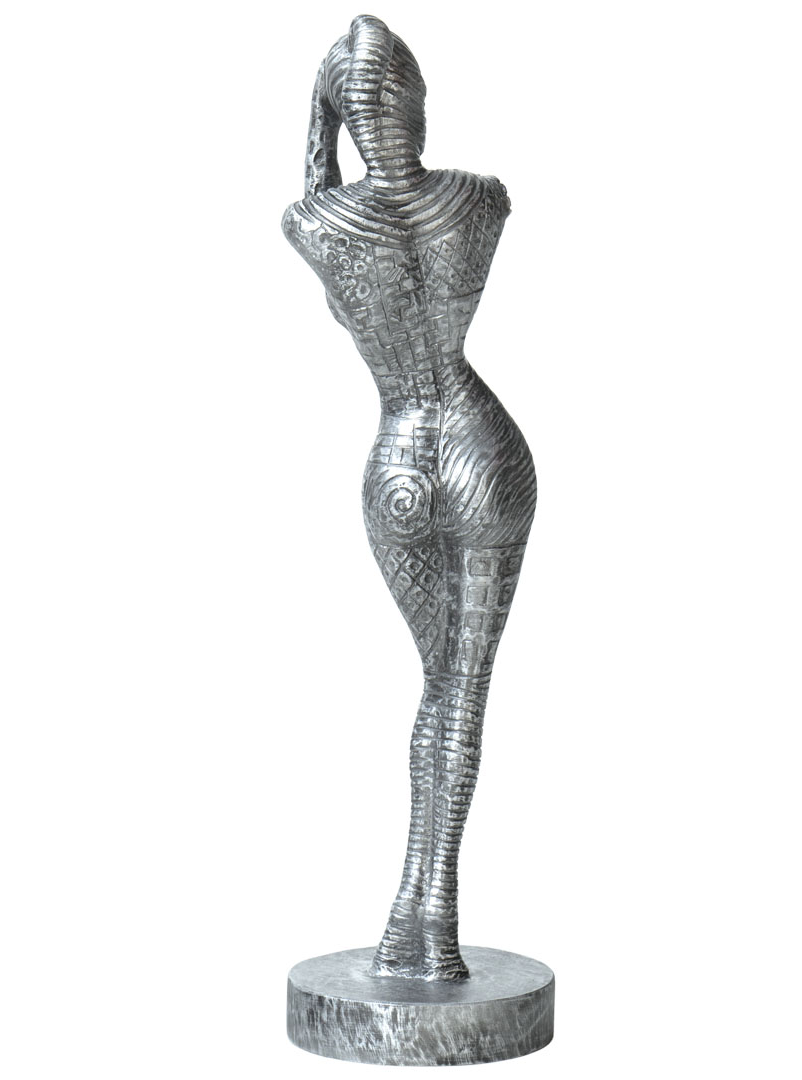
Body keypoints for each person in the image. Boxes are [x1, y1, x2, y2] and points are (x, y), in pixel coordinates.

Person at [282, 15, 537, 981]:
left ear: (346, 119)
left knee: (439, 690)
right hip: (482, 451)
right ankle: (428, 911)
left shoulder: (313, 224)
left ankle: (415, 912)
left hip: (400, 464)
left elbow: (312, 189)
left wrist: (316, 129)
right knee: (460, 691)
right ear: (417, 103)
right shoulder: (480, 199)